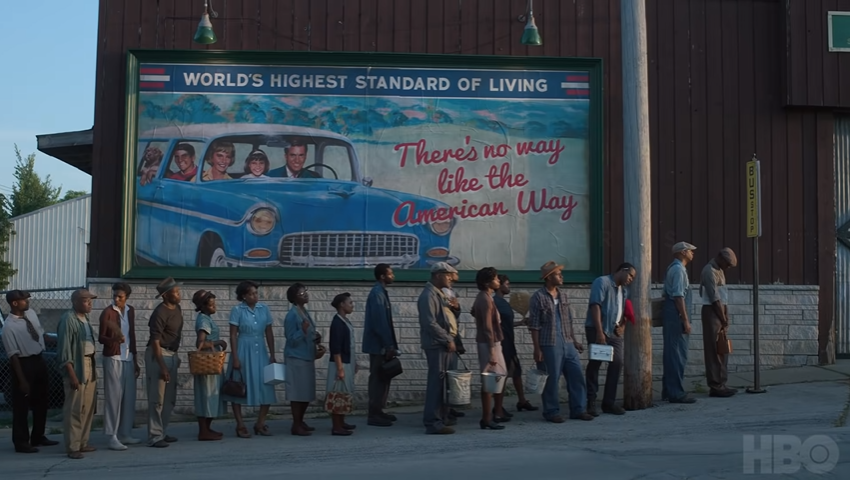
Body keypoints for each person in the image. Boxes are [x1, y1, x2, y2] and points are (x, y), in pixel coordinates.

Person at [528, 261, 593, 423]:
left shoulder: (563, 295)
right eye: (558, 274)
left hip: (568, 342)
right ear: (549, 278)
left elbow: (568, 320)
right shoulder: (538, 297)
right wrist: (537, 349)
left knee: (576, 375)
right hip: (549, 343)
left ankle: (578, 409)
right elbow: (534, 325)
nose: (561, 276)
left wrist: (575, 341)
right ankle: (551, 411)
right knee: (552, 378)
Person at [2, 290, 59, 453]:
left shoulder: (31, 314)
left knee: (42, 400)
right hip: (23, 363)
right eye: (24, 300)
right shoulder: (9, 327)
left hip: (39, 359)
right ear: (14, 303)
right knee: (21, 405)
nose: (28, 301)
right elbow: (13, 356)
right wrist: (22, 380)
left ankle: (38, 436)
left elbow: (40, 334)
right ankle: (21, 442)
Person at [222, 281, 277, 438]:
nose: (255, 296)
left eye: (256, 293)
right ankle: (240, 424)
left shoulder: (264, 309)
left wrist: (272, 354)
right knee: (238, 386)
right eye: (251, 293)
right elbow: (233, 334)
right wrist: (236, 357)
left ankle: (260, 423)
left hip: (260, 349)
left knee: (266, 386)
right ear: (244, 296)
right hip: (243, 349)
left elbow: (269, 332)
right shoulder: (237, 310)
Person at [584, 263, 636, 416]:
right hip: (598, 330)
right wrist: (600, 332)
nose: (631, 279)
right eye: (630, 275)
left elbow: (624, 310)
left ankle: (609, 402)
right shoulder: (602, 282)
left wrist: (623, 326)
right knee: (595, 363)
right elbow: (595, 306)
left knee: (617, 363)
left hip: (614, 332)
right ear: (622, 270)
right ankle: (591, 401)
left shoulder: (624, 290)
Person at [98, 282, 142, 450]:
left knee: (129, 397)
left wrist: (136, 358)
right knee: (114, 398)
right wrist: (114, 340)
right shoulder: (107, 313)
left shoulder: (130, 311)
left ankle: (125, 433)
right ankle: (112, 436)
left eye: (120, 297)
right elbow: (101, 338)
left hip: (128, 358)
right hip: (113, 358)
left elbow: (132, 335)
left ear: (127, 297)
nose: (116, 299)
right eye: (115, 295)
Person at [57, 288, 100, 459]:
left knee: (87, 407)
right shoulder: (68, 319)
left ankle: (83, 442)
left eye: (90, 300)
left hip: (89, 363)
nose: (89, 303)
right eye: (85, 300)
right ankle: (73, 446)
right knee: (74, 408)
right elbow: (64, 349)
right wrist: (71, 373)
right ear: (75, 302)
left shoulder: (85, 319)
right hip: (77, 366)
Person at [418, 262, 458, 435]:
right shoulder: (428, 296)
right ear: (437, 275)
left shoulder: (439, 294)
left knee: (443, 384)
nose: (450, 278)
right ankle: (433, 422)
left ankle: (441, 417)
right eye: (447, 274)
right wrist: (447, 338)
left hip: (442, 344)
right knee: (436, 383)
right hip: (437, 345)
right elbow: (429, 323)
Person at [145, 277, 184, 448]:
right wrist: (162, 365)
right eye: (175, 292)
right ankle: (154, 436)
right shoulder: (159, 313)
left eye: (178, 291)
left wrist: (176, 357)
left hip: (172, 354)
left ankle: (163, 431)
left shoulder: (178, 309)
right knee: (157, 398)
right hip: (158, 354)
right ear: (166, 295)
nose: (179, 294)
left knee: (169, 398)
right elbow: (155, 342)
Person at [493, 275, 537, 413]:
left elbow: (506, 324)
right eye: (507, 284)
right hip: (502, 343)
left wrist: (521, 322)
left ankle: (522, 401)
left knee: (516, 372)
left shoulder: (504, 303)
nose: (509, 286)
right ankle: (498, 407)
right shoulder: (495, 302)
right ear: (499, 285)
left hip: (509, 342)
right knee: (503, 374)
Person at [362, 263, 398, 427]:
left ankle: (380, 410)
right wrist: (388, 345)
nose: (393, 276)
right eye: (390, 273)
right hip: (378, 346)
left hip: (382, 345)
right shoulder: (377, 294)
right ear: (382, 276)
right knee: (377, 378)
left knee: (384, 377)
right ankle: (374, 413)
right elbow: (379, 323)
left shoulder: (381, 293)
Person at [284, 283, 322, 436]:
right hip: (296, 358)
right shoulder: (292, 315)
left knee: (306, 392)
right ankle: (296, 424)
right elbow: (291, 339)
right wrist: (303, 331)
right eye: (301, 294)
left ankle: (301, 420)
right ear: (294, 298)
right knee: (297, 393)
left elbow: (309, 332)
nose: (305, 295)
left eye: (305, 292)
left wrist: (316, 337)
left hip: (307, 356)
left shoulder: (304, 312)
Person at [700, 248, 739, 398]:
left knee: (722, 349)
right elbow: (714, 298)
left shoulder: (720, 270)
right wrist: (722, 318)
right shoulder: (709, 271)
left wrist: (726, 315)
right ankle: (715, 385)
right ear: (720, 258)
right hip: (712, 312)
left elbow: (723, 297)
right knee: (713, 350)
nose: (728, 267)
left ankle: (722, 382)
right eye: (727, 264)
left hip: (720, 311)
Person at [662, 242, 698, 404]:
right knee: (677, 354)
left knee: (672, 353)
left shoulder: (674, 268)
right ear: (683, 252)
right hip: (675, 315)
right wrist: (685, 320)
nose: (692, 254)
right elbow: (678, 296)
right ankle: (675, 392)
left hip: (672, 314)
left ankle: (668, 390)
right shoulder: (678, 270)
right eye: (691, 251)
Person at [472, 267, 507, 430]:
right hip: (489, 344)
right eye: (495, 279)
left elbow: (474, 312)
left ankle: (491, 415)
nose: (498, 281)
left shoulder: (484, 297)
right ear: (487, 282)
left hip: (489, 342)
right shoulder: (485, 299)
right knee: (490, 379)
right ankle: (487, 418)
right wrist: (492, 350)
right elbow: (487, 327)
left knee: (496, 378)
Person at [191, 289, 227, 441]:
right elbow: (200, 343)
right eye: (211, 305)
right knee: (206, 396)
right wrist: (218, 342)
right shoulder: (204, 320)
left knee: (209, 396)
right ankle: (203, 431)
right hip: (208, 364)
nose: (214, 307)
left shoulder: (206, 318)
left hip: (211, 363)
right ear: (204, 306)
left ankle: (207, 428)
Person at [328, 292, 359, 436]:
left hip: (348, 361)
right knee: (338, 394)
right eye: (350, 302)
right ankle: (336, 425)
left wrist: (355, 362)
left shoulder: (345, 321)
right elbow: (336, 348)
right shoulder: (337, 323)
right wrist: (340, 368)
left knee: (345, 393)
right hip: (341, 363)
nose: (352, 305)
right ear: (342, 304)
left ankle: (342, 421)